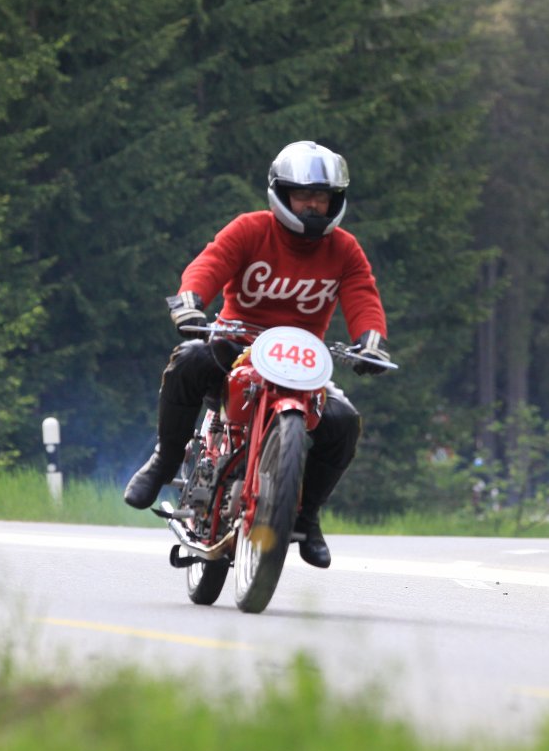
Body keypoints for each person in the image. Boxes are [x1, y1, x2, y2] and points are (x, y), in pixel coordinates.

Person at [122, 141, 390, 570]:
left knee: (343, 420)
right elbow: (210, 264)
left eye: (322, 197)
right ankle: (164, 460)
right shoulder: (250, 229)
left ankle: (306, 516)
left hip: (302, 360)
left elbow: (363, 297)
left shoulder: (344, 249)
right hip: (235, 344)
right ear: (281, 194)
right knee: (188, 360)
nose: (313, 205)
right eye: (303, 195)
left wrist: (370, 342)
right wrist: (190, 303)